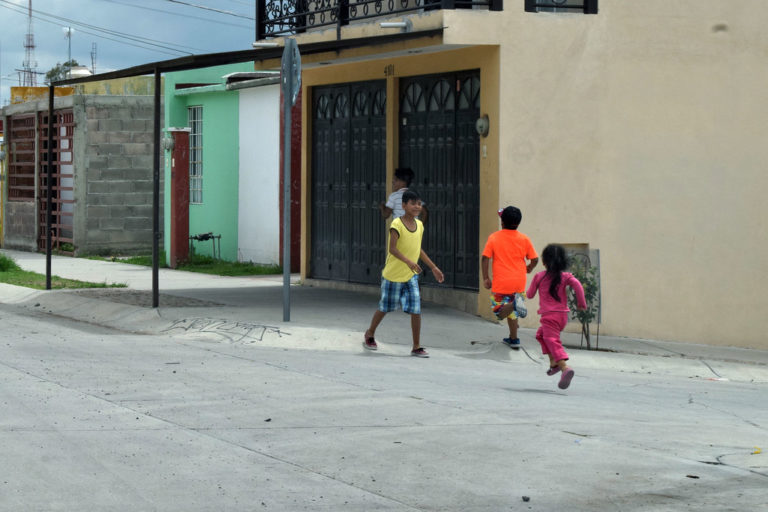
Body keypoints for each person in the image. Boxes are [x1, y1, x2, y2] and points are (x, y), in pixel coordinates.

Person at [364, 189, 444, 357]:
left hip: (410, 276)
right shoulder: (396, 224)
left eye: (419, 204)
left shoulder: (420, 225)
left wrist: (433, 267)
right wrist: (409, 262)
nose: (417, 207)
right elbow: (392, 249)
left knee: (416, 309)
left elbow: (418, 249)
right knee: (385, 307)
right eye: (413, 203)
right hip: (393, 276)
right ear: (403, 206)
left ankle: (416, 346)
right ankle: (370, 333)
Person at [526, 244, 587, 390]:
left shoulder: (539, 276)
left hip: (549, 317)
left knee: (551, 340)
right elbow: (578, 285)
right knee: (540, 335)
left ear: (544, 261)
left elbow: (529, 295)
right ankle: (554, 363)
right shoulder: (566, 276)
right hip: (562, 317)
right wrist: (581, 303)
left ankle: (565, 368)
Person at [481, 206, 539, 349]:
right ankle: (514, 339)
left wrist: (486, 278)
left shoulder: (494, 237)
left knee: (499, 312)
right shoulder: (524, 239)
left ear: (502, 222)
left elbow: (485, 258)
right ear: (518, 223)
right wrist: (529, 268)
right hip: (519, 282)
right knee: (512, 313)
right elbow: (535, 259)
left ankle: (514, 305)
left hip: (501, 283)